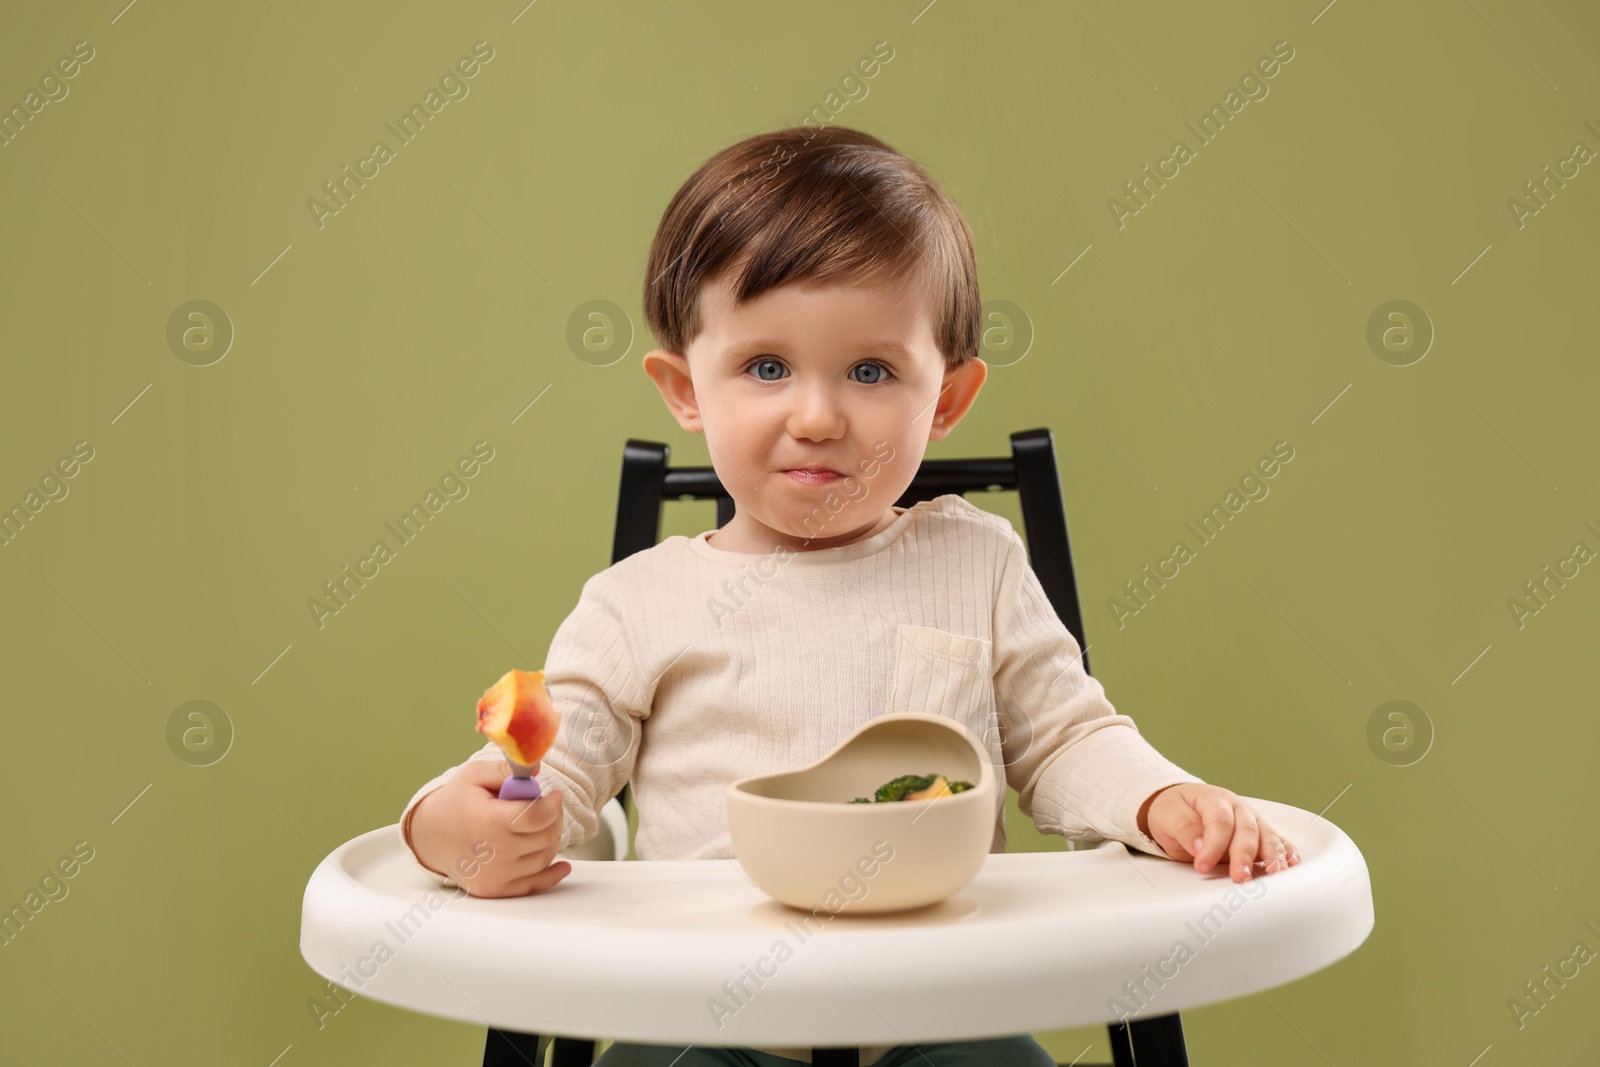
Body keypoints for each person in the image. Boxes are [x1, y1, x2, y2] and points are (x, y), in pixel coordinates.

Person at [401, 124, 1300, 1067]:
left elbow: (1069, 739)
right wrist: (451, 822)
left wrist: (1160, 797)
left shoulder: (976, 563)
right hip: (707, 1018)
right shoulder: (638, 603)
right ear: (684, 389)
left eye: (871, 372)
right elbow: (555, 777)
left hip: (939, 1013)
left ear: (946, 400)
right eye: (765, 367)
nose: (819, 416)